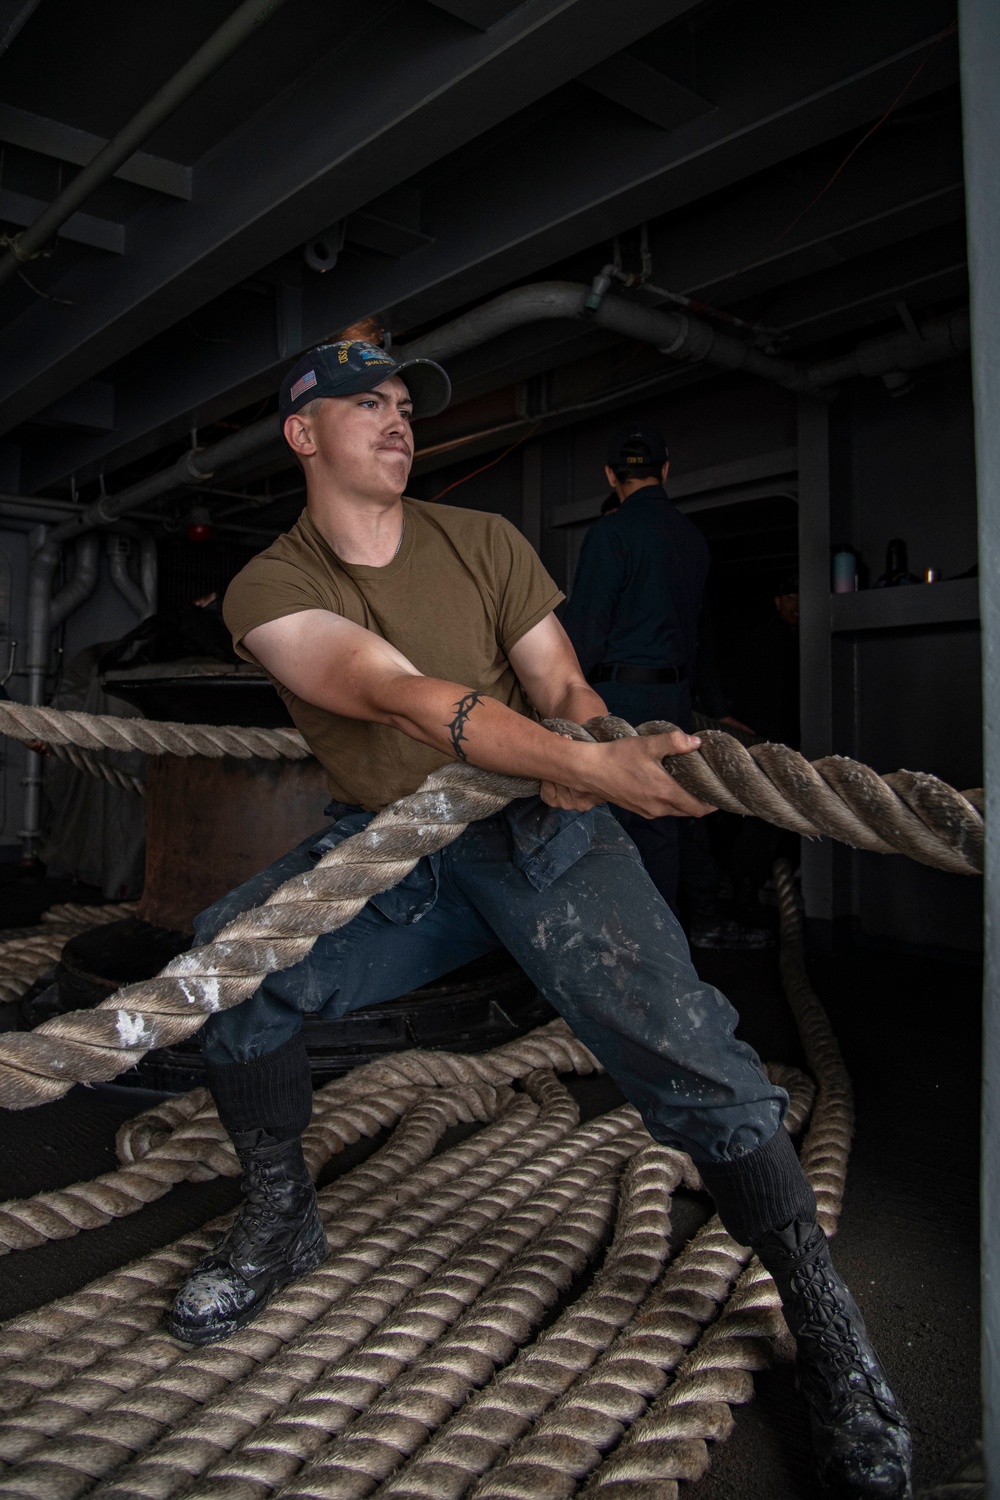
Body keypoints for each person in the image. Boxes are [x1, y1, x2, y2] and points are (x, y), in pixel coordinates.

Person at [165, 340, 910, 1499]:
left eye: (404, 404)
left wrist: (595, 744)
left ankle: (826, 1328)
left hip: (542, 835)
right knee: (230, 965)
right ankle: (281, 1218)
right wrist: (573, 757)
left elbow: (559, 683)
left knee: (694, 1059)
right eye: (365, 404)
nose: (397, 419)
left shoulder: (485, 540)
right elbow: (397, 695)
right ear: (302, 435)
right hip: (399, 850)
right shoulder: (272, 585)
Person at [561, 425, 743, 920]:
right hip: (674, 702)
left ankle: (613, 935)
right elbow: (702, 633)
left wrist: (555, 702)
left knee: (603, 815)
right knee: (660, 817)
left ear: (610, 475)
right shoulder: (693, 539)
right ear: (664, 470)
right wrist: (717, 708)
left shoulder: (610, 533)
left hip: (616, 699)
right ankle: (661, 934)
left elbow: (586, 630)